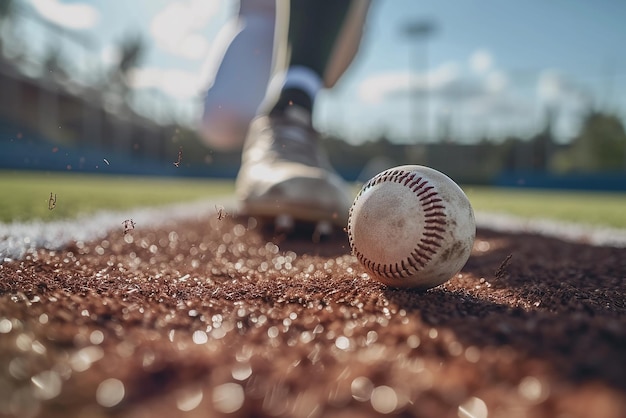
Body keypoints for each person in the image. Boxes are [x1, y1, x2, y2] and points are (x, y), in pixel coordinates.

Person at [200, 0, 372, 234]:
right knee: (222, 120)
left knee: (325, 72)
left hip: (322, 14)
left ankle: (290, 121)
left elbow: (330, 78)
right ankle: (269, 142)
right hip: (262, 12)